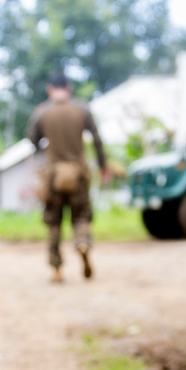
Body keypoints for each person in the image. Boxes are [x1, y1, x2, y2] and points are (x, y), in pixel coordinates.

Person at [26, 71, 111, 283]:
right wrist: (103, 166)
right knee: (81, 216)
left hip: (53, 176)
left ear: (49, 89)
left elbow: (32, 141)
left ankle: (56, 269)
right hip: (78, 174)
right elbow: (97, 140)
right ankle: (82, 242)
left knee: (54, 222)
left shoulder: (43, 112)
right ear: (69, 88)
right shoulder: (82, 108)